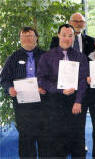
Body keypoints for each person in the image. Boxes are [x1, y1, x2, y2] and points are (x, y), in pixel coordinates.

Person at [37, 24, 89, 157]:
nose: (67, 38)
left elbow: (83, 80)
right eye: (64, 35)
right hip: (55, 101)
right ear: (59, 35)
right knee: (57, 139)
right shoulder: (47, 57)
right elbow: (41, 79)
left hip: (75, 101)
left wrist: (78, 101)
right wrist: (59, 90)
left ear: (74, 37)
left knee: (77, 138)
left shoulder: (80, 57)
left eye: (70, 36)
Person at [0, 27, 47, 158]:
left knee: (45, 138)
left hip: (43, 102)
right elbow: (4, 79)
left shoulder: (46, 56)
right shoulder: (13, 57)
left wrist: (45, 88)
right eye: (24, 36)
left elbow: (53, 77)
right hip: (22, 105)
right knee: (26, 138)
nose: (27, 39)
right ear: (20, 39)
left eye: (30, 36)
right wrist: (9, 89)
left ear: (36, 38)